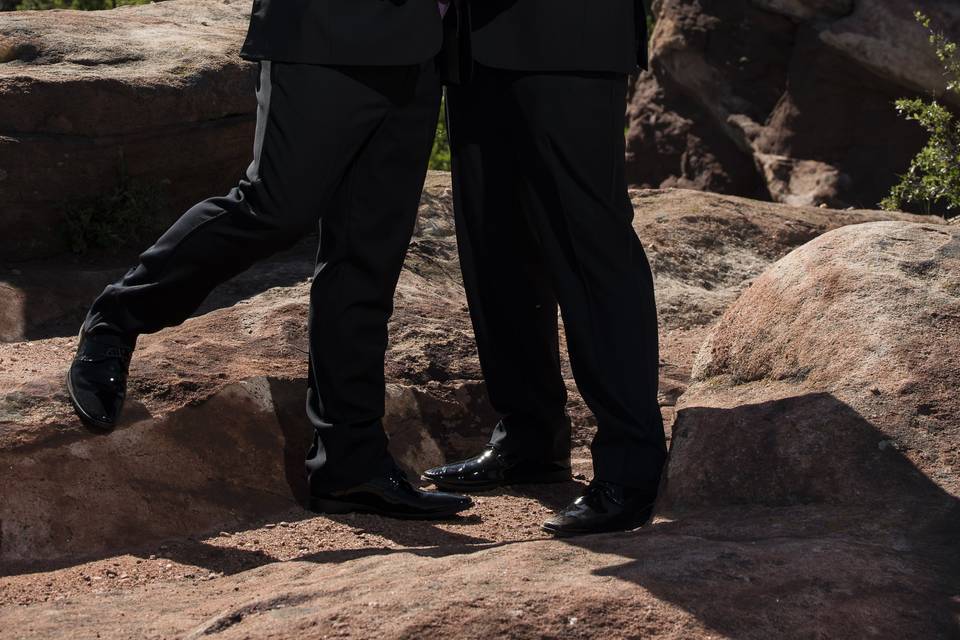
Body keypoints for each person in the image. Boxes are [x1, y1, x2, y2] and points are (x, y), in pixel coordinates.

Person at [66, 0, 472, 520]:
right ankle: (116, 320)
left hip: (420, 43)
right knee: (274, 208)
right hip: (322, 32)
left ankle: (349, 465)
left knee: (368, 255)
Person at [423, 0, 667, 536]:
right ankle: (530, 441)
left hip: (568, 33)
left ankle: (632, 469)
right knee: (494, 247)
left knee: (588, 248)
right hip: (473, 41)